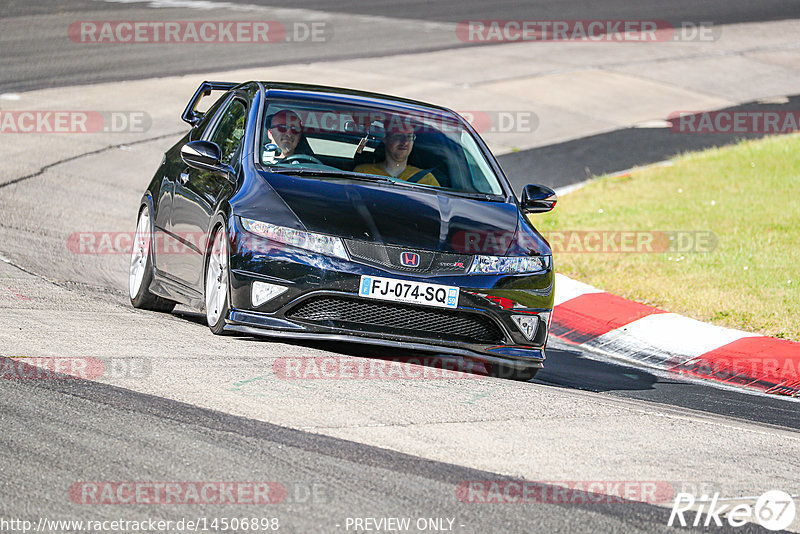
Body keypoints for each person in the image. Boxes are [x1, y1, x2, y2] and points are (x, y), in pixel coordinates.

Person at [354, 123, 440, 186]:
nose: (405, 142)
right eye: (398, 136)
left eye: (409, 137)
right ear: (386, 139)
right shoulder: (363, 172)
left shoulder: (427, 179)